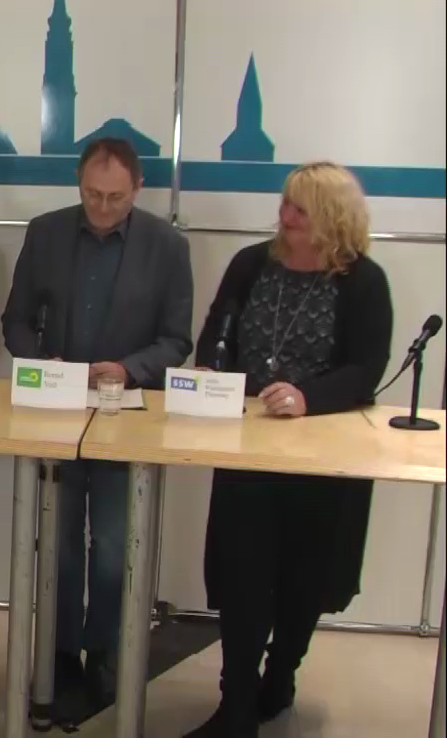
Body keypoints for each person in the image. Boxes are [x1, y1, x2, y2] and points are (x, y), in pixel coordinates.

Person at [184, 162, 393, 738]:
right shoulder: (251, 263)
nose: (286, 216)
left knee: (305, 581)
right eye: (285, 204)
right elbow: (217, 332)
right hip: (248, 447)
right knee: (241, 578)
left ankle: (279, 677)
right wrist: (211, 372)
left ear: (333, 217)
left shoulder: (363, 281)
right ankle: (235, 704)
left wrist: (307, 398)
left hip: (324, 455)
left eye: (301, 209)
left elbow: (366, 367)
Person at [0, 137, 193, 707]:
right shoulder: (46, 232)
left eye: (115, 197)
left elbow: (176, 340)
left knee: (112, 544)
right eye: (92, 195)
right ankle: (60, 654)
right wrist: (42, 363)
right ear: (78, 184)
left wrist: (129, 369)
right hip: (56, 410)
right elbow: (15, 321)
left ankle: (105, 648)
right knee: (58, 542)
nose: (102, 207)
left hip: (122, 415)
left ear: (138, 189)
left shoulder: (168, 246)